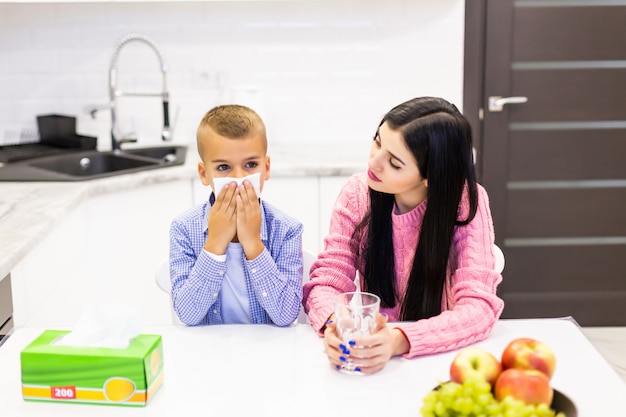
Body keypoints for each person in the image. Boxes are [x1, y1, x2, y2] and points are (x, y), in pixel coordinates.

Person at [302, 96, 504, 374]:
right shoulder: (357, 194)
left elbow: (479, 309)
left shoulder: (466, 202)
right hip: (371, 356)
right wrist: (335, 323)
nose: (374, 162)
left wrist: (399, 340)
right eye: (377, 141)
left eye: (394, 163)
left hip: (442, 358)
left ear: (430, 176)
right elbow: (327, 281)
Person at [169, 104, 304, 326]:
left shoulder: (287, 229)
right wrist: (214, 244)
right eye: (223, 167)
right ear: (204, 174)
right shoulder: (184, 228)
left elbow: (287, 315)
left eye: (251, 165)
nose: (239, 178)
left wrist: (253, 243)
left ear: (266, 168)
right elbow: (187, 315)